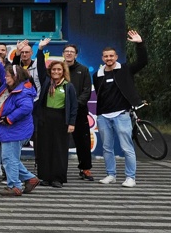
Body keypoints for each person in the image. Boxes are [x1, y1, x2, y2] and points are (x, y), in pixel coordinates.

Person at [93, 31, 147, 187]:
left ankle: (131, 177)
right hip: (103, 116)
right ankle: (111, 175)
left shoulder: (125, 69)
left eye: (111, 56)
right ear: (102, 58)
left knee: (126, 147)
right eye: (106, 56)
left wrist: (139, 43)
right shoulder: (97, 74)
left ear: (116, 57)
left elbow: (143, 61)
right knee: (107, 148)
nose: (109, 58)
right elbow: (99, 93)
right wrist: (100, 114)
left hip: (122, 115)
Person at [0, 62, 39, 197]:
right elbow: (3, 74)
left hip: (15, 130)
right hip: (12, 129)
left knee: (9, 159)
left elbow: (26, 108)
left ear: (16, 77)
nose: (5, 78)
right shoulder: (14, 87)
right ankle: (30, 178)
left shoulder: (22, 91)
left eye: (8, 76)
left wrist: (9, 119)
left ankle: (14, 186)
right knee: (12, 158)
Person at [34, 59, 78, 188]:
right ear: (50, 71)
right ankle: (45, 177)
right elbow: (40, 68)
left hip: (61, 119)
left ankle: (57, 178)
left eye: (59, 69)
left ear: (63, 72)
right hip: (46, 118)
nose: (56, 72)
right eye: (54, 69)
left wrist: (71, 123)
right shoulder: (47, 83)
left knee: (59, 149)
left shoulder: (68, 86)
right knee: (45, 148)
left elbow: (74, 107)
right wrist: (40, 49)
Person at [61, 44, 94, 180]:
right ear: (63, 54)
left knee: (83, 141)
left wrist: (74, 105)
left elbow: (87, 92)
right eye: (67, 51)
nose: (69, 54)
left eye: (72, 52)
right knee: (59, 142)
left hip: (79, 112)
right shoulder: (58, 69)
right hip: (60, 112)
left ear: (76, 55)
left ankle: (85, 169)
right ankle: (59, 169)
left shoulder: (83, 70)